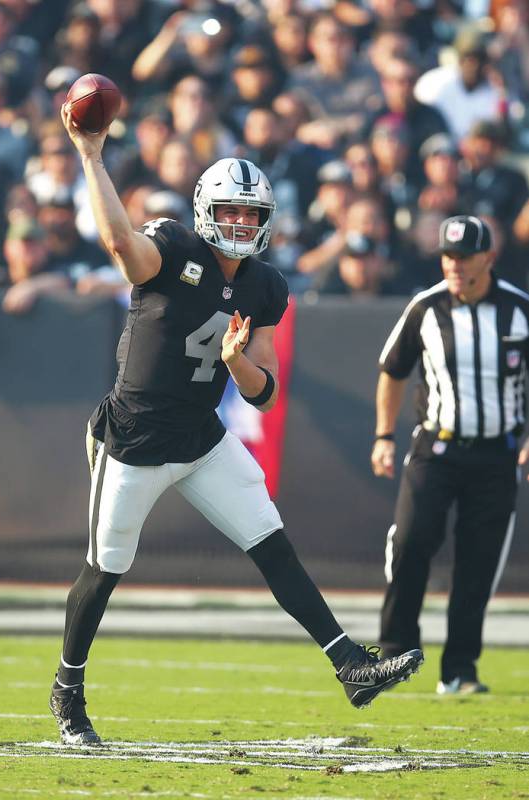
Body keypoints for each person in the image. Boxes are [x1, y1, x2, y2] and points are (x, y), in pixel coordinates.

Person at [48, 105, 424, 746]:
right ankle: (67, 688)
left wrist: (239, 364)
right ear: (205, 210)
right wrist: (91, 154)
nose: (241, 223)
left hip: (201, 437)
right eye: (230, 211)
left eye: (251, 214)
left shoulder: (265, 286)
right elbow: (119, 244)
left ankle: (351, 666)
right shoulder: (170, 249)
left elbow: (266, 393)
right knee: (106, 566)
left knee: (271, 541)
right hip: (135, 438)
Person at [372, 214, 529, 695]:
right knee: (412, 544)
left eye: (464, 256)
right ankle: (396, 652)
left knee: (478, 565)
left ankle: (459, 669)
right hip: (435, 448)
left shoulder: (520, 310)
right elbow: (393, 370)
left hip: (498, 456)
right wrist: (384, 435)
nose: (455, 265)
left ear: (489, 258)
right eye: (448, 256)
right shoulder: (426, 307)